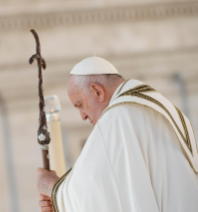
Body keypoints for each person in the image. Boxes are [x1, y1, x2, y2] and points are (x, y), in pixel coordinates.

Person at [36, 56, 198, 212]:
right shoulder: (154, 104)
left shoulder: (118, 117)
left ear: (97, 91)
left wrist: (55, 191)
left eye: (80, 105)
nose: (83, 116)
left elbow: (94, 191)